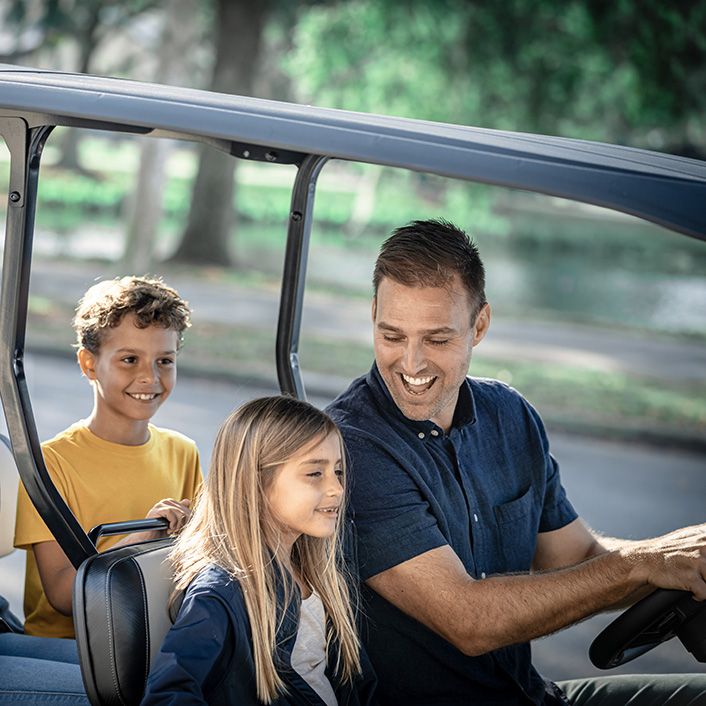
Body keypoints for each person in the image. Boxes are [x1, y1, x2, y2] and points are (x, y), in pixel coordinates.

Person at [325, 219, 706, 706]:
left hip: (530, 695)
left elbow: (578, 562)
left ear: (479, 325)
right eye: (392, 335)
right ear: (373, 314)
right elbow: (469, 621)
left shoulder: (511, 416)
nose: (411, 363)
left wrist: (675, 561)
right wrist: (637, 567)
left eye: (438, 339)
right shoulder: (347, 448)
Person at [143, 396, 378, 706]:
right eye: (314, 474)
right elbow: (167, 695)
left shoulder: (320, 576)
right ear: (254, 484)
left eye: (338, 471)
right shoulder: (221, 593)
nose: (337, 488)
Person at [14, 276, 203, 639]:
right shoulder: (50, 464)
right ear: (88, 364)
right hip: (71, 651)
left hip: (149, 638)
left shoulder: (184, 453)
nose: (150, 377)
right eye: (129, 359)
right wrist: (139, 538)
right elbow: (61, 594)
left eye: (165, 360)